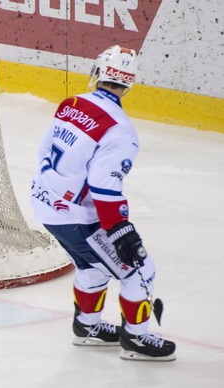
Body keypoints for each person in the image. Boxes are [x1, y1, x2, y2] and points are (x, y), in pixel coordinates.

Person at [30, 45, 176, 361]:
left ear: (97, 73)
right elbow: (103, 184)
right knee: (140, 271)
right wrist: (119, 228)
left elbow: (43, 151)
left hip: (45, 202)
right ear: (128, 84)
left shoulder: (70, 104)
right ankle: (135, 339)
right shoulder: (120, 130)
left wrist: (54, 191)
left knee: (91, 267)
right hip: (75, 216)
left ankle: (87, 327)